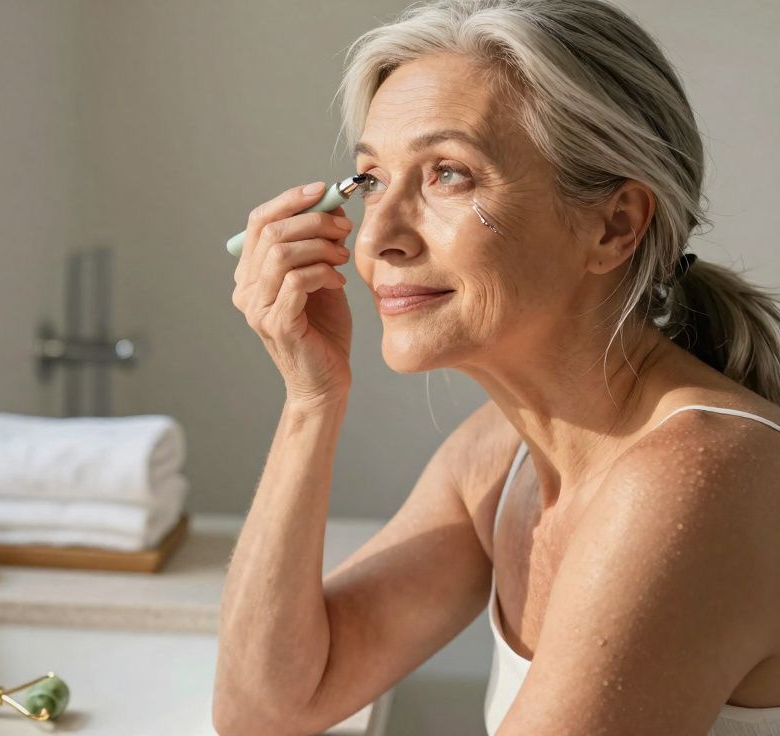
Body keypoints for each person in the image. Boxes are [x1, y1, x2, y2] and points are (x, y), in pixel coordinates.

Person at [215, 1, 780, 733]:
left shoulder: (699, 477)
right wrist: (309, 399)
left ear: (614, 226)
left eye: (449, 174)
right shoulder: (500, 457)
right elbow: (267, 707)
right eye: (374, 180)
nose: (378, 237)